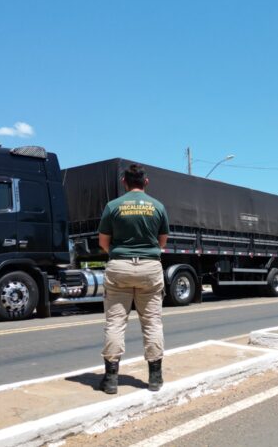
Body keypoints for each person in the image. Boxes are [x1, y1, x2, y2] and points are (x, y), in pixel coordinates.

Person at [97, 164, 169, 394]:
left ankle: (110, 380)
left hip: (119, 267)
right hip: (150, 267)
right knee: (152, 323)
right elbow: (162, 242)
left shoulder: (113, 206)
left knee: (115, 323)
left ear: (123, 181)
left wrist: (120, 256)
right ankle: (155, 377)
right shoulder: (158, 207)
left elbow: (103, 242)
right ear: (145, 182)